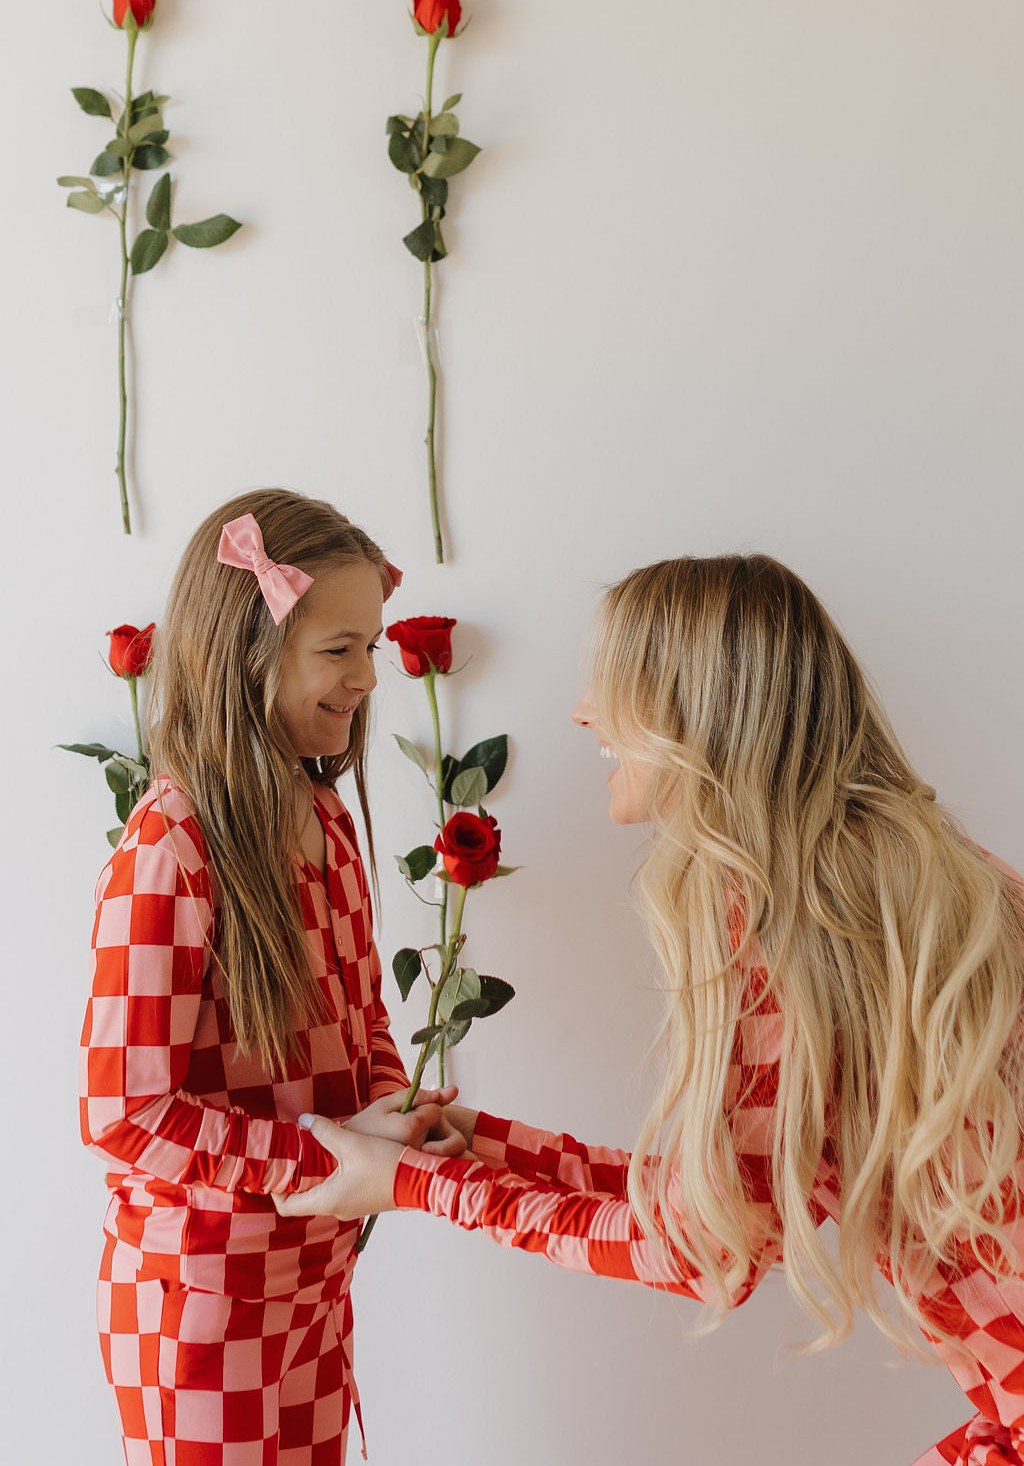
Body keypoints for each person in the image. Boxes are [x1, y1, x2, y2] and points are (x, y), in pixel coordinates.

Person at [275, 554, 1024, 1466]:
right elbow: (729, 1203)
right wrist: (483, 1142)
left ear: (695, 710)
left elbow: (700, 1251)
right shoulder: (899, 873)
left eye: (616, 682)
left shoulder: (787, 915)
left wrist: (418, 1186)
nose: (585, 710)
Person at [80, 488, 463, 1466]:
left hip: (306, 1286)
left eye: (371, 648)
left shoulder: (325, 823)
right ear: (248, 652)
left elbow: (358, 1013)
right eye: (339, 651)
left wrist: (393, 1106)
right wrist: (331, 1157)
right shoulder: (171, 844)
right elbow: (125, 1113)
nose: (368, 679)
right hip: (200, 1309)